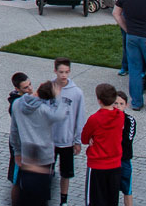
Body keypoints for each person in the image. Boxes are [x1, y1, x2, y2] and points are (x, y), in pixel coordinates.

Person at [10, 80, 74, 206]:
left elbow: (14, 131)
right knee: (40, 194)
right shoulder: (45, 110)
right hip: (44, 157)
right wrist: (59, 97)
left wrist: (17, 151)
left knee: (24, 189)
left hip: (26, 155)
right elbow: (60, 116)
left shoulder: (17, 104)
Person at [80, 83, 127, 206]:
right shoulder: (120, 116)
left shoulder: (94, 119)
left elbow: (84, 138)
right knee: (111, 201)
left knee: (95, 201)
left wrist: (91, 138)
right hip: (115, 165)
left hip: (97, 166)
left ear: (99, 101)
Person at [49, 58, 86, 205]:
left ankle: (63, 200)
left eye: (66, 72)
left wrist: (77, 140)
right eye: (61, 72)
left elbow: (80, 117)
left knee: (66, 173)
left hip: (67, 141)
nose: (63, 75)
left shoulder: (77, 93)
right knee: (47, 171)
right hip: (50, 140)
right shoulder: (48, 88)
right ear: (55, 71)